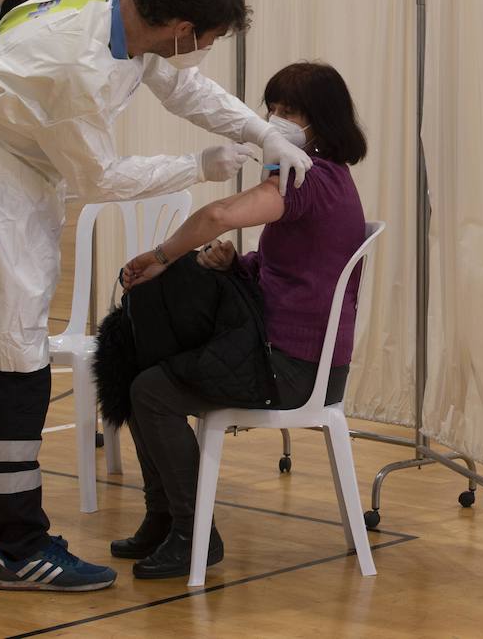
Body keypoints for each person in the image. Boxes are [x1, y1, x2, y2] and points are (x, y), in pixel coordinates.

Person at [0, 0, 313, 592]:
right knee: (11, 361)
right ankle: (19, 546)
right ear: (181, 27)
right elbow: (98, 179)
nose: (202, 51)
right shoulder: (76, 70)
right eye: (205, 39)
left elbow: (182, 87)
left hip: (5, 169)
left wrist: (262, 132)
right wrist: (197, 167)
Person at [113, 61, 368, 579]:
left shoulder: (307, 178)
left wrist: (161, 256)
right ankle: (165, 517)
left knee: (149, 390)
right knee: (138, 363)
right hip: (283, 352)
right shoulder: (327, 177)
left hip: (294, 368)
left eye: (289, 110)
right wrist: (237, 263)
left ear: (321, 120)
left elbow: (218, 215)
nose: (275, 120)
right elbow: (292, 269)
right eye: (271, 108)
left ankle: (192, 532)